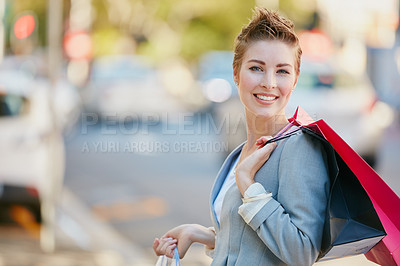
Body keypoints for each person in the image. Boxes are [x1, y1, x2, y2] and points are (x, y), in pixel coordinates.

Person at [153, 8, 331, 266]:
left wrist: (248, 185)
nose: (269, 82)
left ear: (295, 80)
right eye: (257, 68)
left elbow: (302, 252)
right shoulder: (239, 153)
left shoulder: (299, 147)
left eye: (282, 71)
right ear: (236, 74)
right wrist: (199, 233)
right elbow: (252, 242)